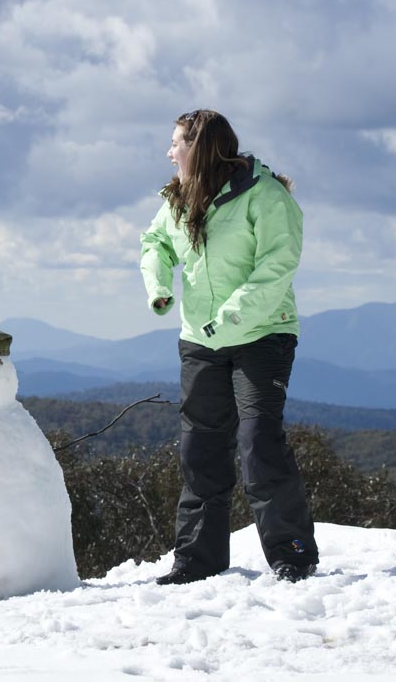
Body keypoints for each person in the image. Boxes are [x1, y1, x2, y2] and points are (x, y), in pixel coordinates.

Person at [139, 110, 319, 584]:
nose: (169, 151)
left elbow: (278, 263)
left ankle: (293, 555)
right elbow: (155, 240)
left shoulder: (265, 195)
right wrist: (159, 284)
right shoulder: (179, 197)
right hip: (201, 339)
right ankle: (197, 562)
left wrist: (232, 316)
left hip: (263, 335)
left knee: (259, 443)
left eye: (176, 142)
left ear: (199, 147)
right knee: (200, 449)